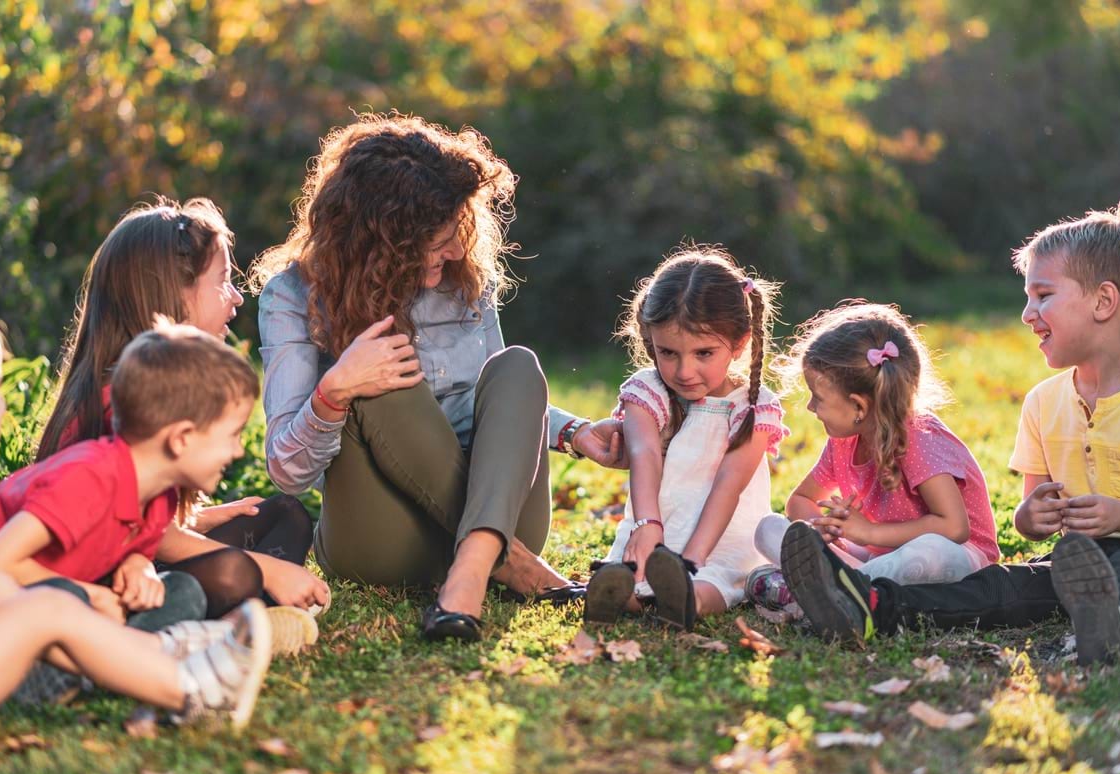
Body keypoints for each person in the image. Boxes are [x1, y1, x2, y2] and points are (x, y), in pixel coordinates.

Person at [251, 113, 621, 641]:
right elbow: (288, 474)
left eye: (458, 232)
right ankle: (498, 563)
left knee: (515, 366)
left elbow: (491, 408)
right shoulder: (291, 296)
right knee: (379, 372)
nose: (453, 252)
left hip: (493, 518)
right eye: (437, 239)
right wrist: (336, 391)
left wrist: (573, 432)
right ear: (378, 238)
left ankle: (475, 564)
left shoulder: (462, 280)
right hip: (382, 542)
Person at [0, 285, 272, 764]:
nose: (2, 407)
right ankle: (185, 683)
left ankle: (167, 670)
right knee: (44, 608)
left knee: (48, 611)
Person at [782, 204, 1120, 665]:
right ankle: (872, 605)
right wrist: (1034, 514)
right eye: (1027, 297)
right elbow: (1029, 523)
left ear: (1103, 301)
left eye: (1043, 295)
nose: (1028, 313)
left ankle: (1112, 624)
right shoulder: (1042, 403)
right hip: (1076, 560)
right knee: (998, 587)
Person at [36, 197, 329, 618]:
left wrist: (197, 522)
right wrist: (266, 570)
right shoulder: (120, 399)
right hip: (104, 579)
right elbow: (130, 535)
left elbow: (143, 522)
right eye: (223, 280)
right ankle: (227, 614)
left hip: (141, 555)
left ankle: (244, 610)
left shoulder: (162, 386)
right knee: (237, 573)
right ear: (173, 294)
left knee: (286, 515)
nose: (236, 298)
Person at [745, 303, 999, 614]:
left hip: (959, 557)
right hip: (877, 557)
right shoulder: (844, 442)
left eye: (818, 398)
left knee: (930, 554)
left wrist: (870, 532)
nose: (811, 408)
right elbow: (800, 499)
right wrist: (822, 527)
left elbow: (955, 527)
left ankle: (821, 592)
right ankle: (837, 591)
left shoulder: (919, 438)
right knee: (768, 529)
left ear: (858, 407)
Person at [583, 247, 789, 630]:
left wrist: (690, 560)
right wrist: (647, 526)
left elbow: (729, 486)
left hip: (721, 539)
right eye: (668, 352)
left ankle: (683, 598)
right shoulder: (648, 390)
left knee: (711, 585)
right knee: (629, 578)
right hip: (653, 528)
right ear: (650, 339)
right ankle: (621, 591)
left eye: (704, 353)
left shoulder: (752, 405)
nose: (684, 370)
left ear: (740, 343)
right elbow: (644, 451)